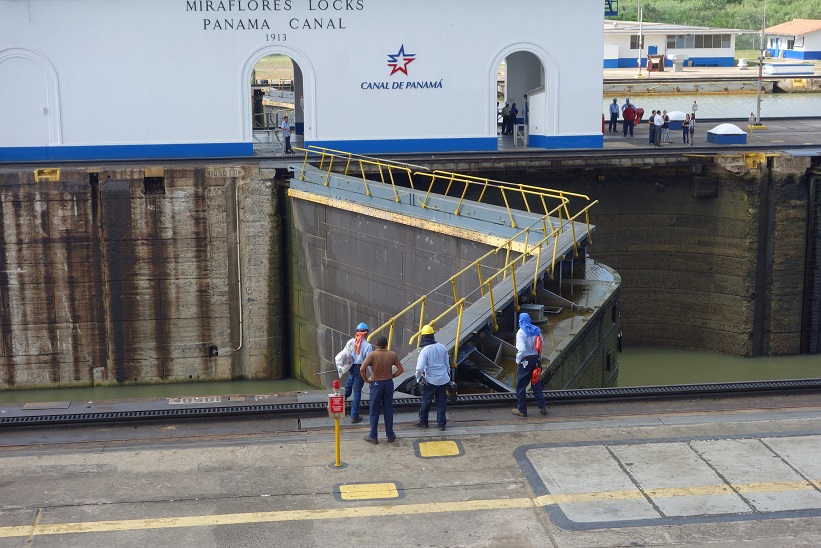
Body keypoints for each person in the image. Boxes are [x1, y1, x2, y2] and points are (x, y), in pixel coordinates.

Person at [360, 336, 403, 445]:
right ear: (387, 344)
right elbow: (401, 369)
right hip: (388, 383)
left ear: (376, 344)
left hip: (376, 384)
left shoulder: (372, 355)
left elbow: (362, 369)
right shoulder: (392, 354)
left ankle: (373, 436)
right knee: (388, 409)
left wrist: (366, 380)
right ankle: (390, 435)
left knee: (374, 411)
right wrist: (392, 376)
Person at [413, 324, 451, 431]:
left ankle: (423, 421)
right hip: (443, 379)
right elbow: (447, 364)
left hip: (431, 380)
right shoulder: (442, 347)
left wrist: (418, 378)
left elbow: (419, 368)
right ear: (433, 335)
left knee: (426, 401)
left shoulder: (425, 351)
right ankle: (441, 424)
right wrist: (448, 375)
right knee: (441, 402)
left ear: (423, 337)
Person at [512, 312, 547, 417]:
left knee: (521, 386)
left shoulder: (521, 332)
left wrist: (518, 360)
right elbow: (542, 344)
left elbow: (521, 349)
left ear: (520, 320)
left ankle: (522, 409)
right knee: (536, 384)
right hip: (536, 361)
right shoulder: (536, 330)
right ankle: (542, 406)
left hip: (525, 362)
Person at [343, 322, 372, 424]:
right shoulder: (368, 346)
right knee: (357, 392)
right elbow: (369, 361)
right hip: (360, 367)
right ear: (366, 333)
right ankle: (354, 416)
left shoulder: (350, 342)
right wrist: (372, 375)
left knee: (351, 378)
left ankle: (344, 396)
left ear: (357, 332)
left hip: (351, 366)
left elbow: (345, 355)